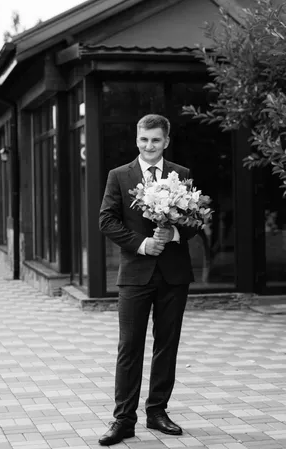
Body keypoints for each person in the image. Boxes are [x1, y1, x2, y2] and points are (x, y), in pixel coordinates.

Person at [98, 114, 197, 446]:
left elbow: (196, 222)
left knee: (166, 346)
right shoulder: (118, 176)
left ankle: (157, 412)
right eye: (144, 139)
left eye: (156, 140)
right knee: (129, 347)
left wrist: (173, 234)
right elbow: (106, 220)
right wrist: (141, 244)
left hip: (173, 274)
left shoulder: (181, 174)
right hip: (135, 274)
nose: (149, 145)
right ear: (136, 139)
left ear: (166, 141)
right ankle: (123, 420)